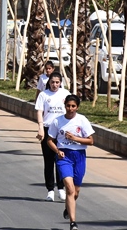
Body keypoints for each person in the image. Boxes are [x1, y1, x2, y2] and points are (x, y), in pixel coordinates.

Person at [47, 95, 95, 230]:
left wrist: (75, 138)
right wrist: (57, 151)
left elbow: (91, 141)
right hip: (64, 156)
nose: (70, 109)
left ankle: (68, 208)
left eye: (73, 106)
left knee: (76, 192)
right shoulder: (57, 121)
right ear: (65, 106)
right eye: (68, 106)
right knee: (69, 187)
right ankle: (73, 223)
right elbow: (49, 140)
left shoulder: (82, 120)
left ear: (77, 107)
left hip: (79, 156)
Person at [36, 71, 71, 202]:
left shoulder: (65, 94)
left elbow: (70, 111)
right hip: (48, 129)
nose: (55, 85)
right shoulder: (44, 95)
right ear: (48, 82)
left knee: (61, 160)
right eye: (52, 82)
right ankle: (50, 190)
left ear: (60, 83)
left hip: (62, 131)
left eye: (57, 82)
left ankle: (61, 188)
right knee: (49, 160)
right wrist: (40, 128)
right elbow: (40, 111)